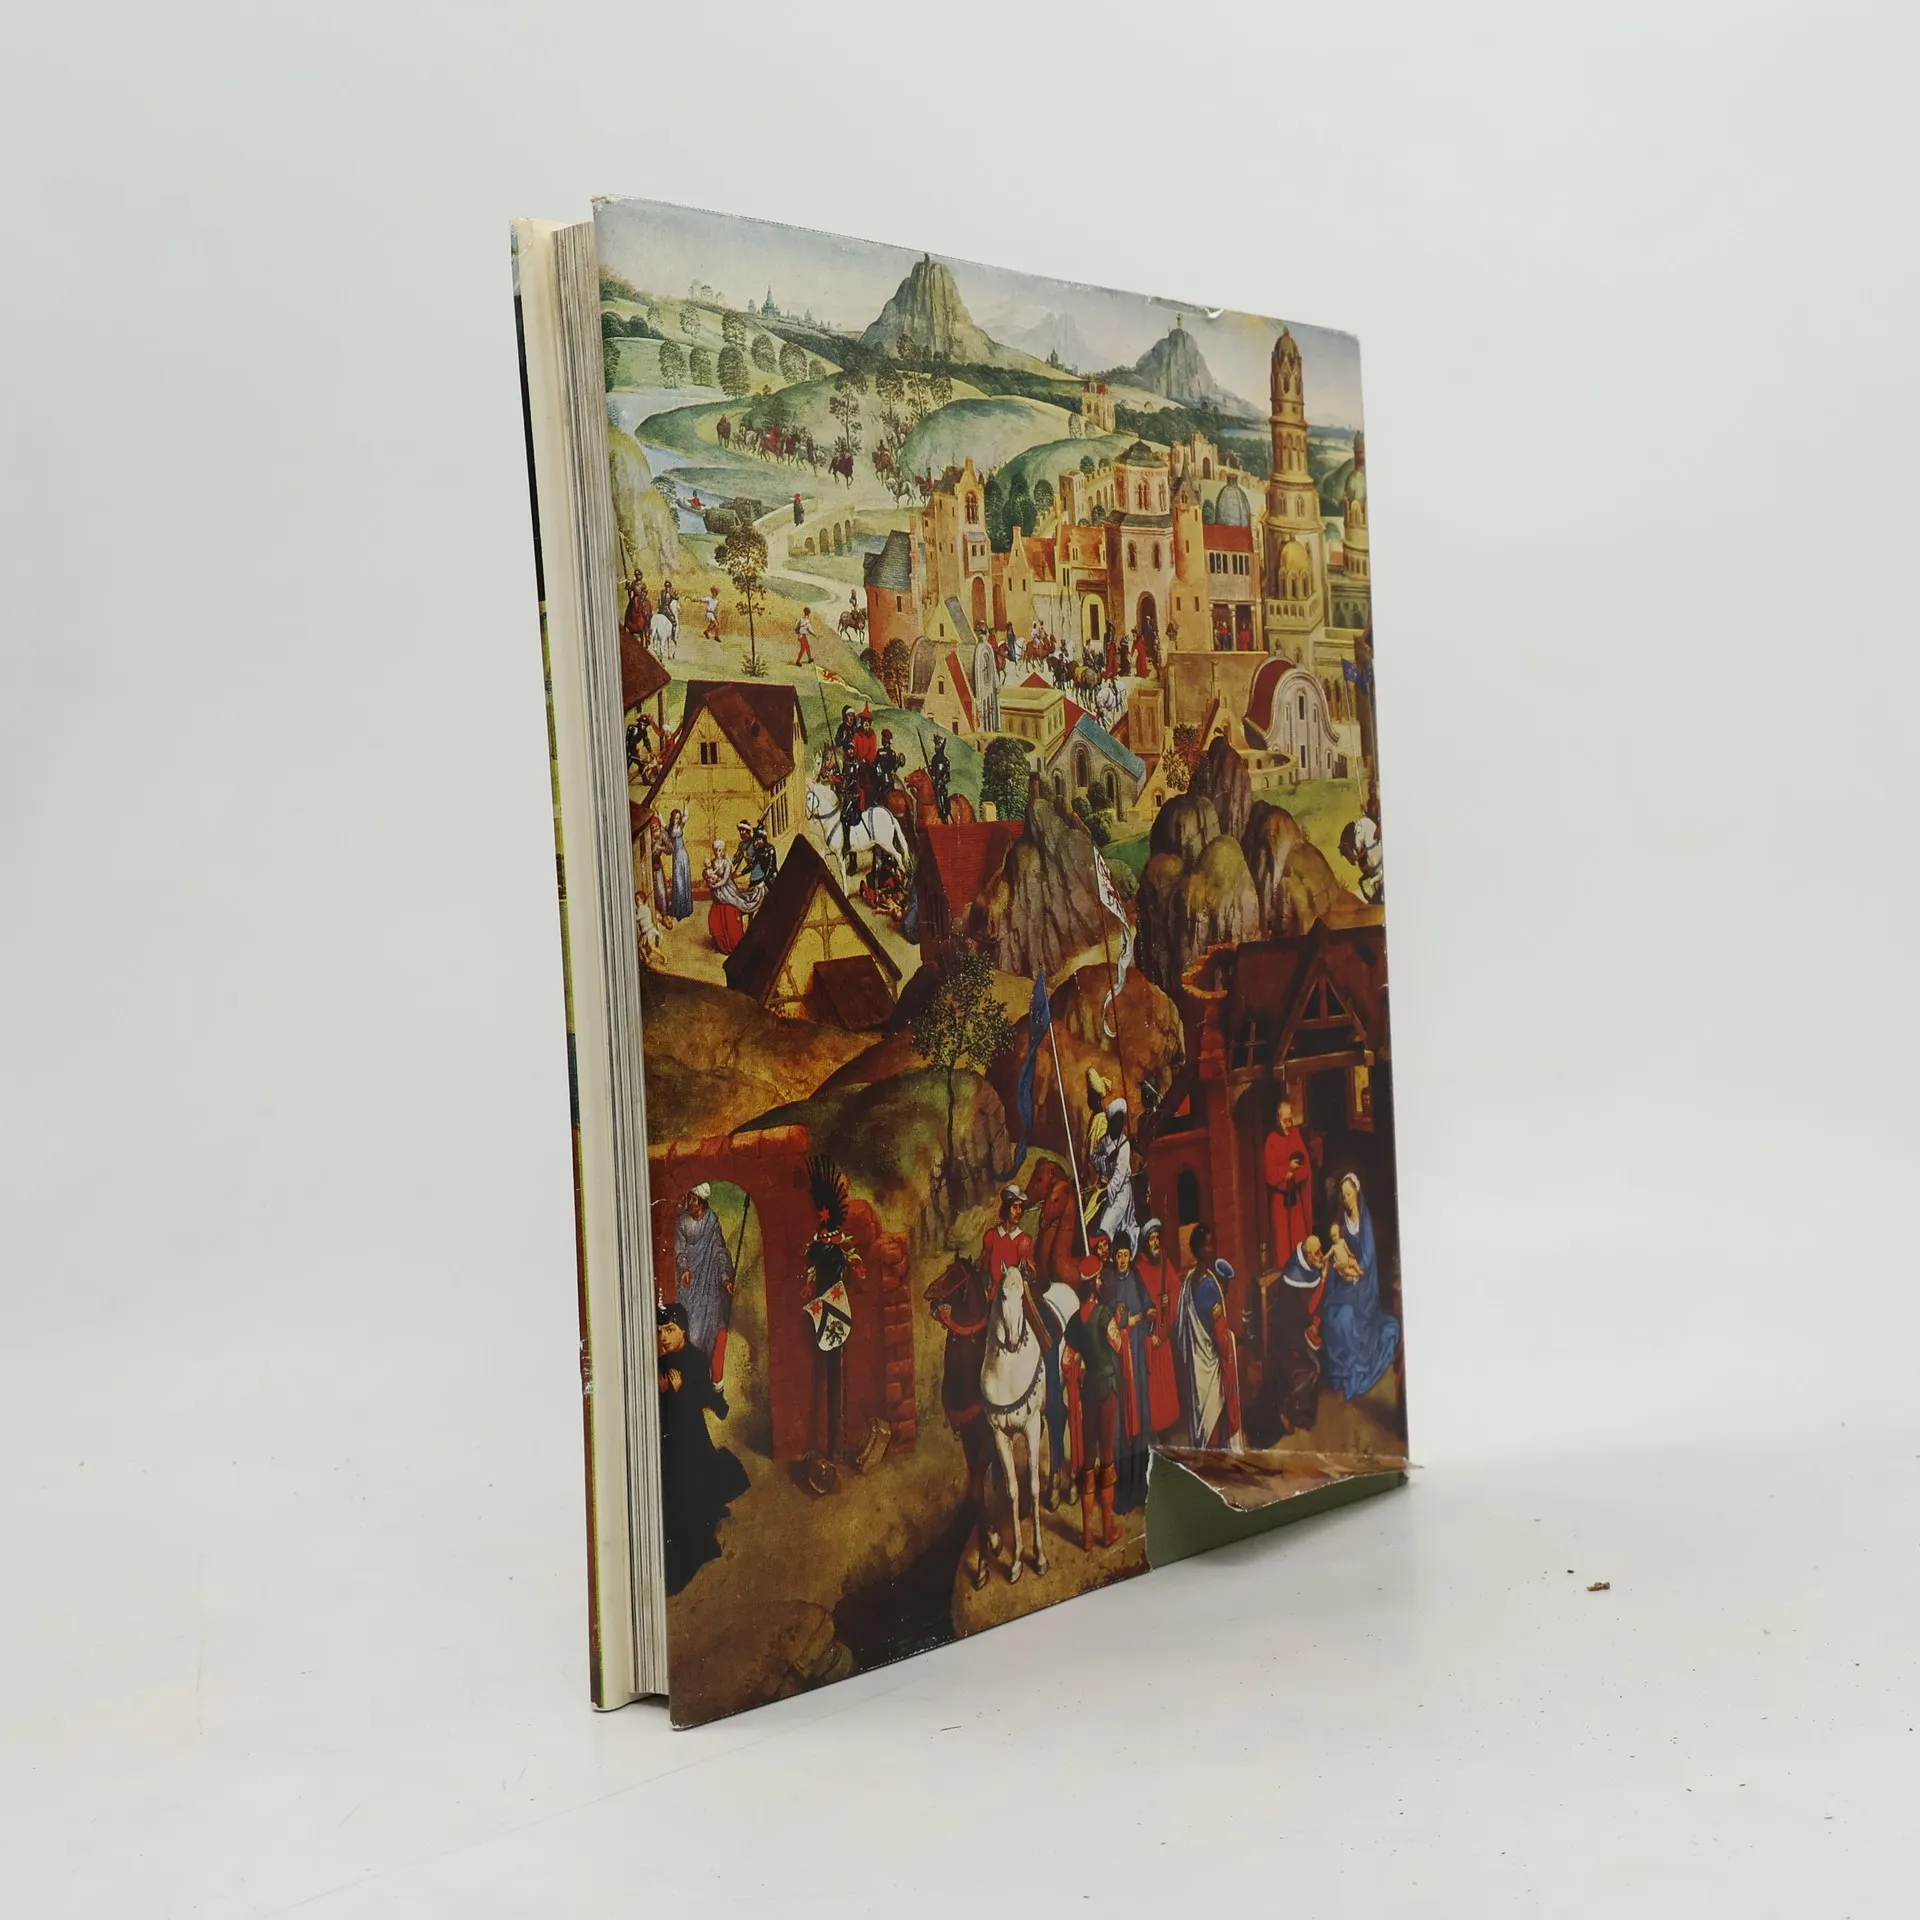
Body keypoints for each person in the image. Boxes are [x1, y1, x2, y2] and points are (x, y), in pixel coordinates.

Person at [658, 1303, 748, 1594]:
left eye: (670, 1330)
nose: (664, 1337)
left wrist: (678, 1391)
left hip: (690, 1436)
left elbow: (700, 1399)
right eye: (661, 1331)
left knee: (692, 1486)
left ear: (683, 1331)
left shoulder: (695, 1360)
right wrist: (662, 1392)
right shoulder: (662, 1362)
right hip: (670, 1438)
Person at [1062, 1252, 1123, 1550]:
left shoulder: (1074, 1321)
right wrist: (1118, 1324)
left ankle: (1087, 1537)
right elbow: (1118, 1345)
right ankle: (1107, 1532)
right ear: (1095, 1283)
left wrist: (1082, 1363)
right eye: (1099, 1278)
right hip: (1107, 1389)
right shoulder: (1104, 1314)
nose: (1101, 1282)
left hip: (1087, 1393)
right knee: (1107, 1458)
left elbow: (1066, 1360)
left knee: (1088, 1463)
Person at [1322, 1174, 1399, 1399]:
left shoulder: (1365, 1220)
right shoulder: (1342, 1221)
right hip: (1346, 1279)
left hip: (1364, 1284)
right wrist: (1342, 1270)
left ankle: (1354, 1370)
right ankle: (1342, 1373)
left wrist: (1356, 1274)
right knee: (1335, 1314)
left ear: (1357, 1192)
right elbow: (1339, 1250)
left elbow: (1369, 1255)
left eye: (1349, 1194)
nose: (1346, 1199)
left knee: (1349, 1317)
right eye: (1343, 1195)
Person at [1172, 1224, 1242, 1449]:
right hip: (1210, 1366)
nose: (1211, 1250)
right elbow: (1220, 1337)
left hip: (1196, 1363)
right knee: (1215, 1418)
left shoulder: (1190, 1280)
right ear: (1198, 1250)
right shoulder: (1209, 1286)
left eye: (1213, 1245)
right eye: (1207, 1246)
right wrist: (1231, 1343)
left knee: (1202, 1418)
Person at [1100, 1231, 1153, 1514]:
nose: (1122, 1260)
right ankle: (1123, 1495)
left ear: (1130, 1256)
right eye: (1118, 1256)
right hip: (1120, 1365)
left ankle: (1141, 1489)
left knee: (1140, 1422)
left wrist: (1150, 1312)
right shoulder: (1108, 1282)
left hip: (1138, 1364)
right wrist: (1124, 1322)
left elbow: (1147, 1303)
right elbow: (1106, 1319)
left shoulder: (1136, 1277)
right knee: (1122, 1427)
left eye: (1125, 1255)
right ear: (1113, 1257)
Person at [674, 1183, 738, 1382]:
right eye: (688, 1197)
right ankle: (691, 1380)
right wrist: (684, 1269)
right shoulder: (682, 1221)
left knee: (712, 1333)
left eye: (693, 1199)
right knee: (691, 1334)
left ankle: (708, 1382)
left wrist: (725, 1278)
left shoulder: (711, 1221)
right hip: (689, 1287)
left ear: (701, 1202)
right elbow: (680, 1250)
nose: (689, 1202)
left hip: (709, 1286)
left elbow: (719, 1252)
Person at [1269, 1234, 1329, 1434]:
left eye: (1321, 1251)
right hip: (1288, 1335)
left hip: (1299, 1329)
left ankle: (1301, 1414)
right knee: (1313, 1367)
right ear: (1308, 1256)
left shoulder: (1309, 1269)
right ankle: (1286, 1409)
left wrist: (1315, 1323)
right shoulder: (1294, 1277)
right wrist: (1323, 1280)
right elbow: (1307, 1310)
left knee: (1320, 1358)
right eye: (1317, 1253)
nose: (1321, 1256)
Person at [1135, 1218, 1185, 1441]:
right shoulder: (1138, 1270)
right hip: (1149, 1343)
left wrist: (1168, 1300)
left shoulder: (1166, 1263)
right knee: (1152, 1399)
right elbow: (1138, 1305)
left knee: (1166, 1399)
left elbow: (1177, 1290)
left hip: (1164, 1341)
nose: (1155, 1243)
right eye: (1151, 1239)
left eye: (1157, 1238)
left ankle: (1166, 1441)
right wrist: (1150, 1335)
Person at [1262, 1097, 1316, 1273]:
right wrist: (1287, 1169)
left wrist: (1294, 1175)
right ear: (1277, 1120)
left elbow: (1306, 1167)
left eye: (1290, 1120)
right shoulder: (1271, 1140)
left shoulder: (1296, 1135)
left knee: (1299, 1242)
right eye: (1285, 1120)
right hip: (1280, 1202)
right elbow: (1270, 1174)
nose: (1288, 1124)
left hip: (1295, 1200)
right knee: (1283, 1247)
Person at [1089, 1096, 1137, 1251]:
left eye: (1121, 1121)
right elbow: (1094, 1159)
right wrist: (1106, 1160)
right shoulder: (1104, 1142)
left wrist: (1107, 1192)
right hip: (1107, 1188)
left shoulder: (1124, 1144)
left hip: (1121, 1191)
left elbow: (1119, 1174)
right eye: (1116, 1120)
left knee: (1107, 1225)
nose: (1119, 1124)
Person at [667, 808, 692, 921]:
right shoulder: (669, 829)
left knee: (684, 880)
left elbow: (686, 816)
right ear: (672, 819)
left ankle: (685, 909)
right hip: (676, 857)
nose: (677, 820)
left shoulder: (680, 827)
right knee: (678, 882)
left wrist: (685, 805)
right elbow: (662, 824)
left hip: (684, 855)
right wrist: (657, 812)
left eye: (678, 818)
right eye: (675, 818)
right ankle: (678, 910)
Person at [744, 822, 779, 890]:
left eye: (760, 839)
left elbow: (770, 867)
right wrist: (740, 873)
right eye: (757, 840)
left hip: (771, 877)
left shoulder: (770, 849)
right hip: (763, 877)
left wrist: (764, 882)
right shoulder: (758, 850)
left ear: (764, 839)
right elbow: (752, 864)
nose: (758, 841)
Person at [872, 727, 905, 794]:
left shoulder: (880, 752)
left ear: (883, 740)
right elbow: (894, 769)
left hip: (881, 780)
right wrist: (898, 763)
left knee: (875, 795)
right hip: (891, 781)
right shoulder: (893, 753)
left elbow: (874, 765)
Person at [929, 733, 952, 822]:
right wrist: (931, 772)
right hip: (933, 785)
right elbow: (933, 772)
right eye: (935, 745)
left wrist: (940, 783)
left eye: (938, 745)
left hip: (941, 788)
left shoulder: (946, 761)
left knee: (941, 800)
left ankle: (945, 817)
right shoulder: (934, 759)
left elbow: (948, 777)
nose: (936, 747)